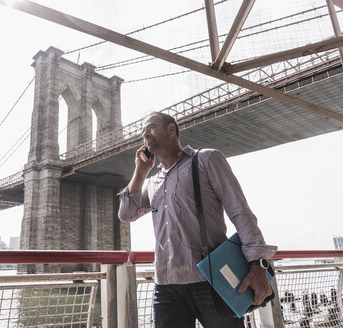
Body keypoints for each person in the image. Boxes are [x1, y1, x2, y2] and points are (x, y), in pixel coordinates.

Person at [118, 112, 277, 327]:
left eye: (151, 127)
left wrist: (257, 264)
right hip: (166, 285)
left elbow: (240, 211)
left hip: (210, 281)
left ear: (171, 130)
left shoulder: (206, 159)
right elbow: (126, 214)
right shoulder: (153, 182)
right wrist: (140, 170)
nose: (144, 133)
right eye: (142, 132)